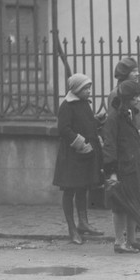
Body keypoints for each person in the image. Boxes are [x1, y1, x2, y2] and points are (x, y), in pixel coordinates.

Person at [51, 73, 104, 244]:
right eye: (86, 88)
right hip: (72, 156)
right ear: (76, 90)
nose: (89, 91)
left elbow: (83, 123)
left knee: (83, 187)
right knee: (69, 191)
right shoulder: (67, 106)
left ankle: (83, 223)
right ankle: (72, 228)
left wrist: (97, 121)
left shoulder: (83, 104)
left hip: (85, 155)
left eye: (89, 88)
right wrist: (80, 143)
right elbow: (64, 129)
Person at [102, 79, 140, 254]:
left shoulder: (127, 114)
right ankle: (119, 241)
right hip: (122, 169)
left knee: (134, 204)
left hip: (132, 166)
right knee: (120, 207)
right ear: (125, 100)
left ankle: (132, 240)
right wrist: (112, 172)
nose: (138, 100)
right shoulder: (113, 118)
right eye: (134, 98)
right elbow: (110, 146)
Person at [109, 58, 140, 182]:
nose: (137, 74)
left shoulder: (139, 92)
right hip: (126, 150)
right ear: (124, 74)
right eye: (134, 71)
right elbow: (113, 125)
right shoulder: (115, 94)